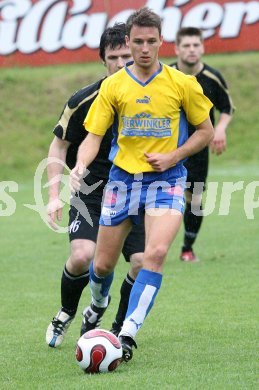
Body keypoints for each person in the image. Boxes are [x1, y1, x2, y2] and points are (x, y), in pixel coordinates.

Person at [70, 7, 214, 362]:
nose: (145, 48)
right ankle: (98, 303)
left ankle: (128, 333)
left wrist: (175, 155)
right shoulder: (114, 86)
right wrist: (81, 164)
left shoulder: (183, 83)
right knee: (102, 266)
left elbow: (205, 131)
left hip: (167, 180)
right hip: (121, 180)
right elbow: (93, 136)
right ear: (129, 42)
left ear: (162, 42)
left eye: (152, 41)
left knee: (156, 254)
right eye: (138, 42)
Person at [45, 23, 145, 348]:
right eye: (114, 57)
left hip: (134, 192)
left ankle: (117, 330)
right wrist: (53, 196)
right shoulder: (83, 100)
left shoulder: (150, 99)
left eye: (126, 56)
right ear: (103, 59)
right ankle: (65, 313)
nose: (121, 63)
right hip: (90, 193)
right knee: (82, 256)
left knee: (143, 261)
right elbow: (59, 146)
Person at [170, 27, 234, 262]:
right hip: (166, 148)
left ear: (202, 47)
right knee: (153, 197)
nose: (192, 50)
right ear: (177, 49)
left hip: (197, 151)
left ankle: (187, 248)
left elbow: (227, 108)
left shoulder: (212, 78)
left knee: (193, 200)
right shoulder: (166, 76)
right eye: (186, 45)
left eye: (196, 45)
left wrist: (220, 129)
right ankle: (144, 248)